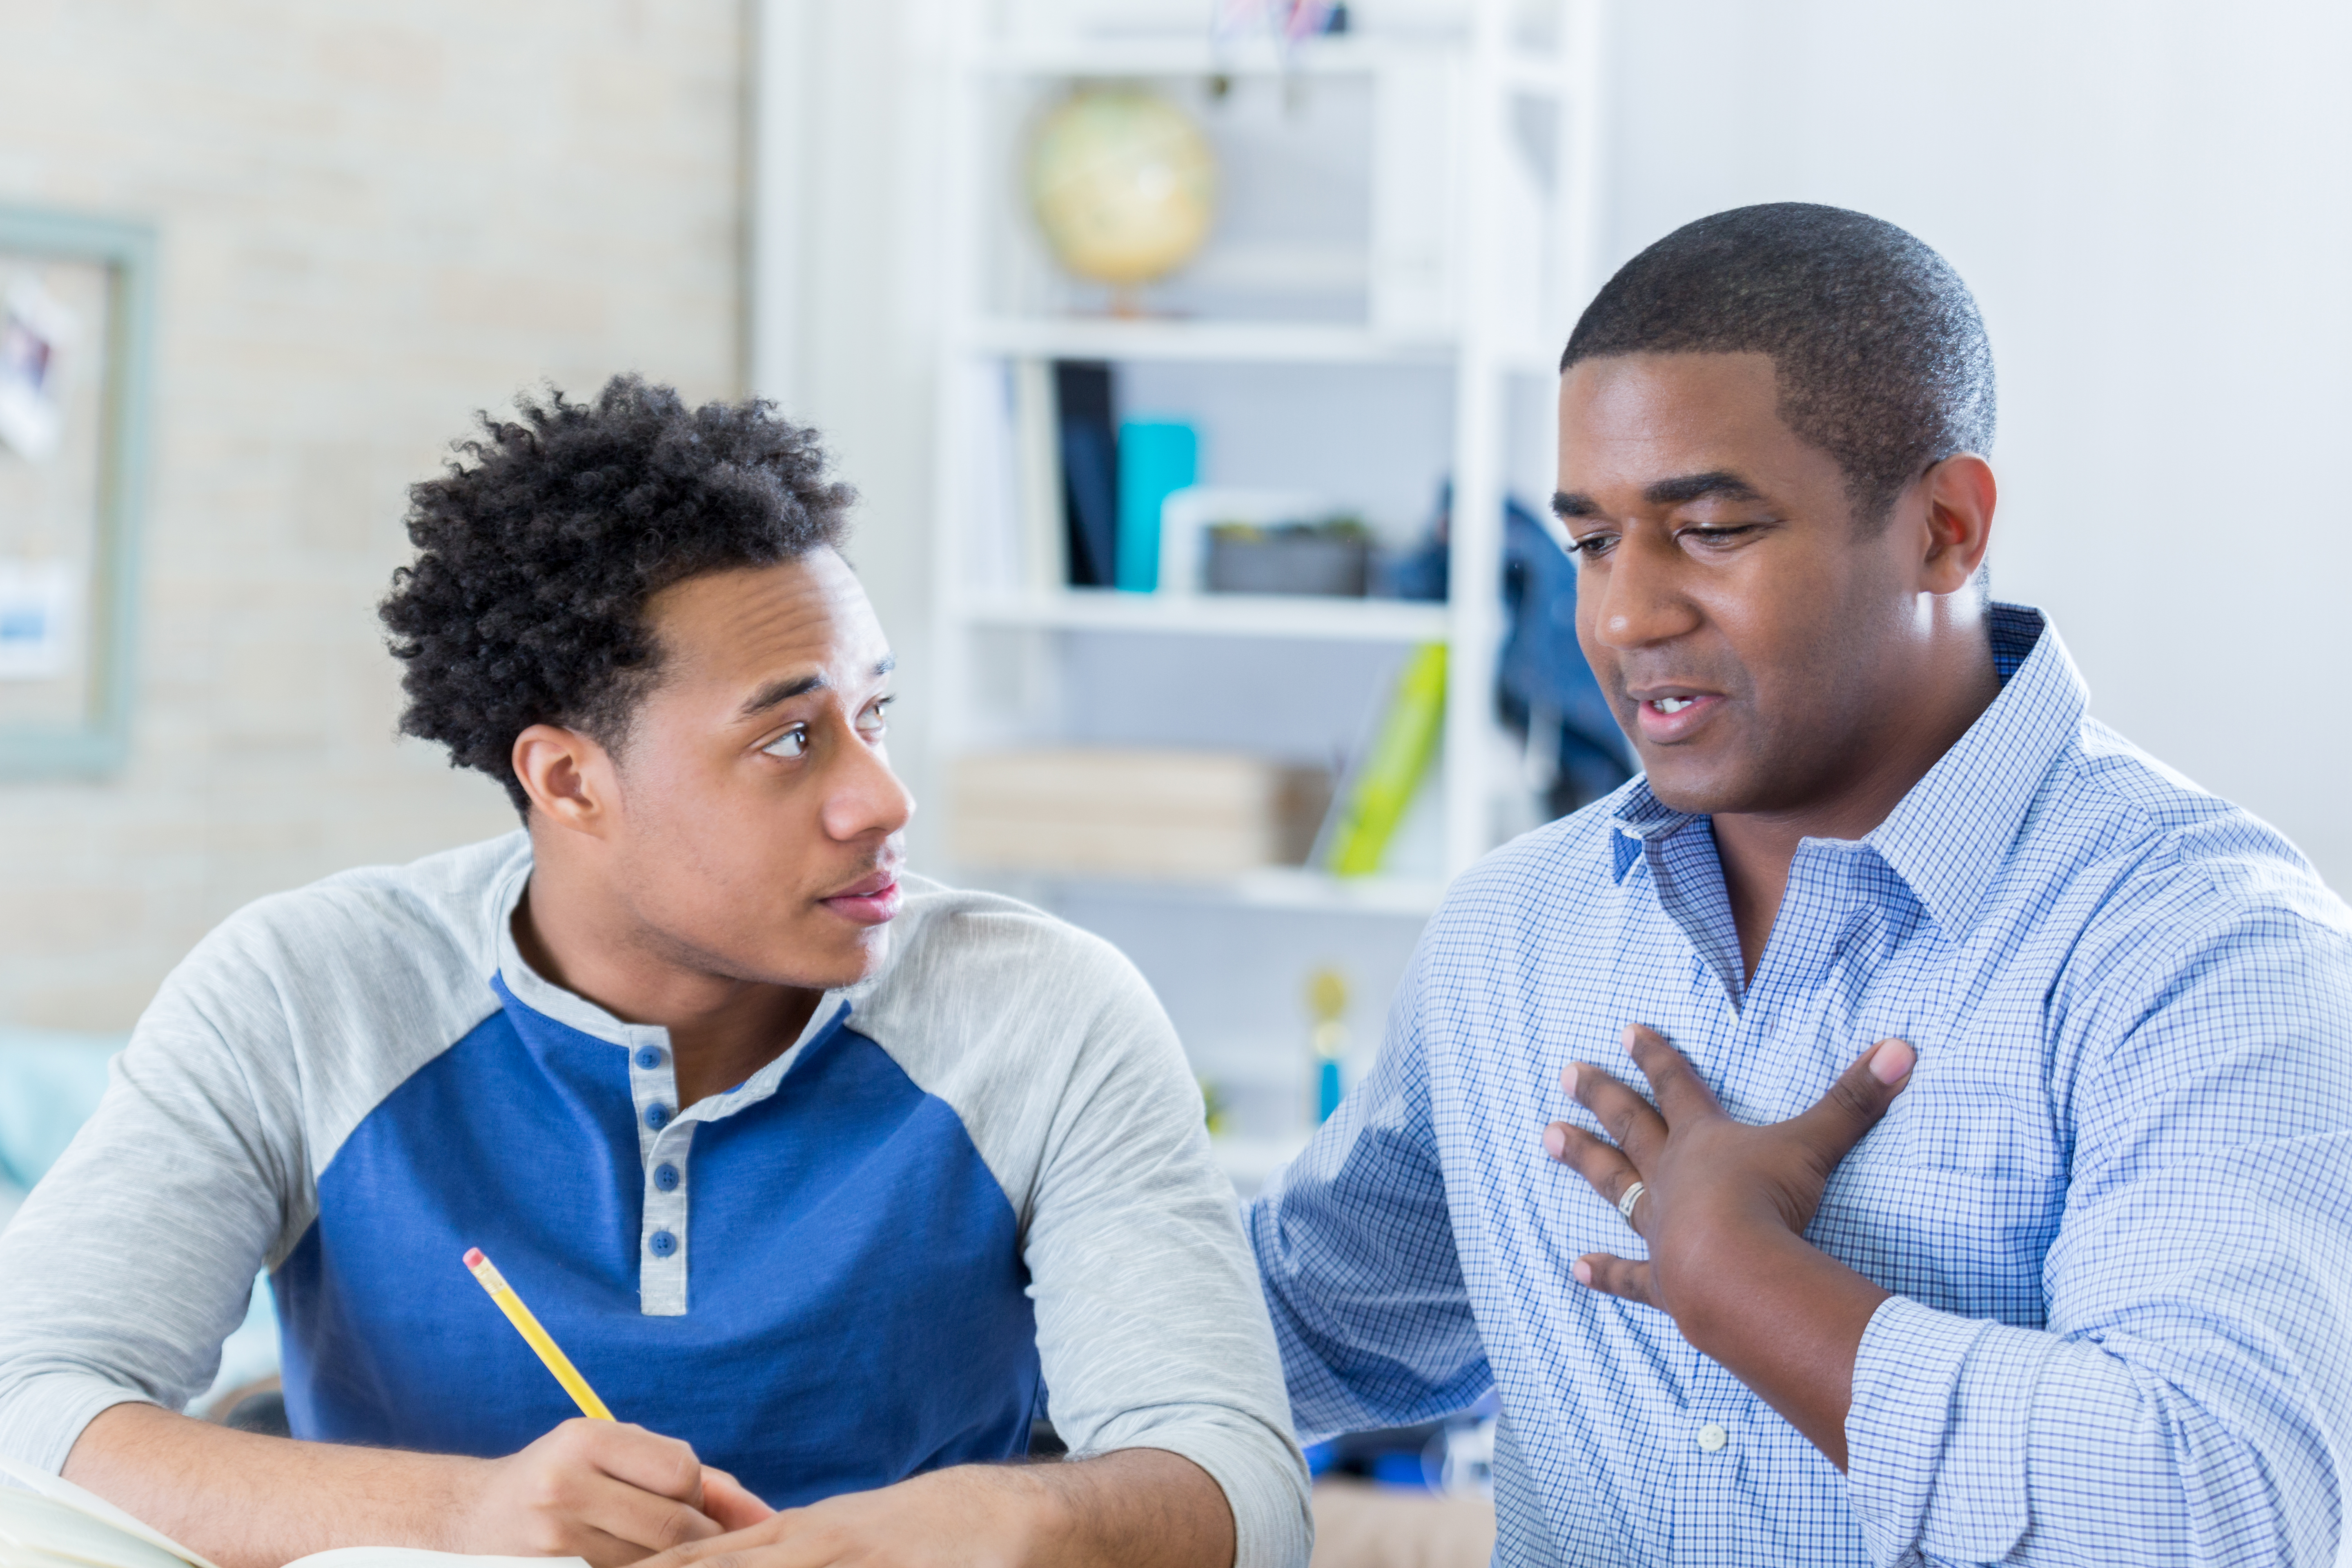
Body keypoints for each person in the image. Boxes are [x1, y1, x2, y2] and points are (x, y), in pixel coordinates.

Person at [0, 378, 1312, 1568]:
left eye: (875, 715)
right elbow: (25, 1404)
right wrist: (456, 1517)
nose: (883, 798)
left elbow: (1245, 1487)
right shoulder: (304, 992)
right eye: (792, 739)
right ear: (569, 779)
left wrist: (1008, 1520)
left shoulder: (1046, 1013)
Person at [1247, 203, 2352, 1564]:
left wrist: (1760, 1293)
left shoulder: (2207, 945)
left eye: (1709, 528)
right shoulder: (1512, 936)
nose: (1624, 616)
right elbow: (1304, 1324)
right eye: (1593, 542)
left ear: (1946, 526)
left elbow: (2231, 1510)